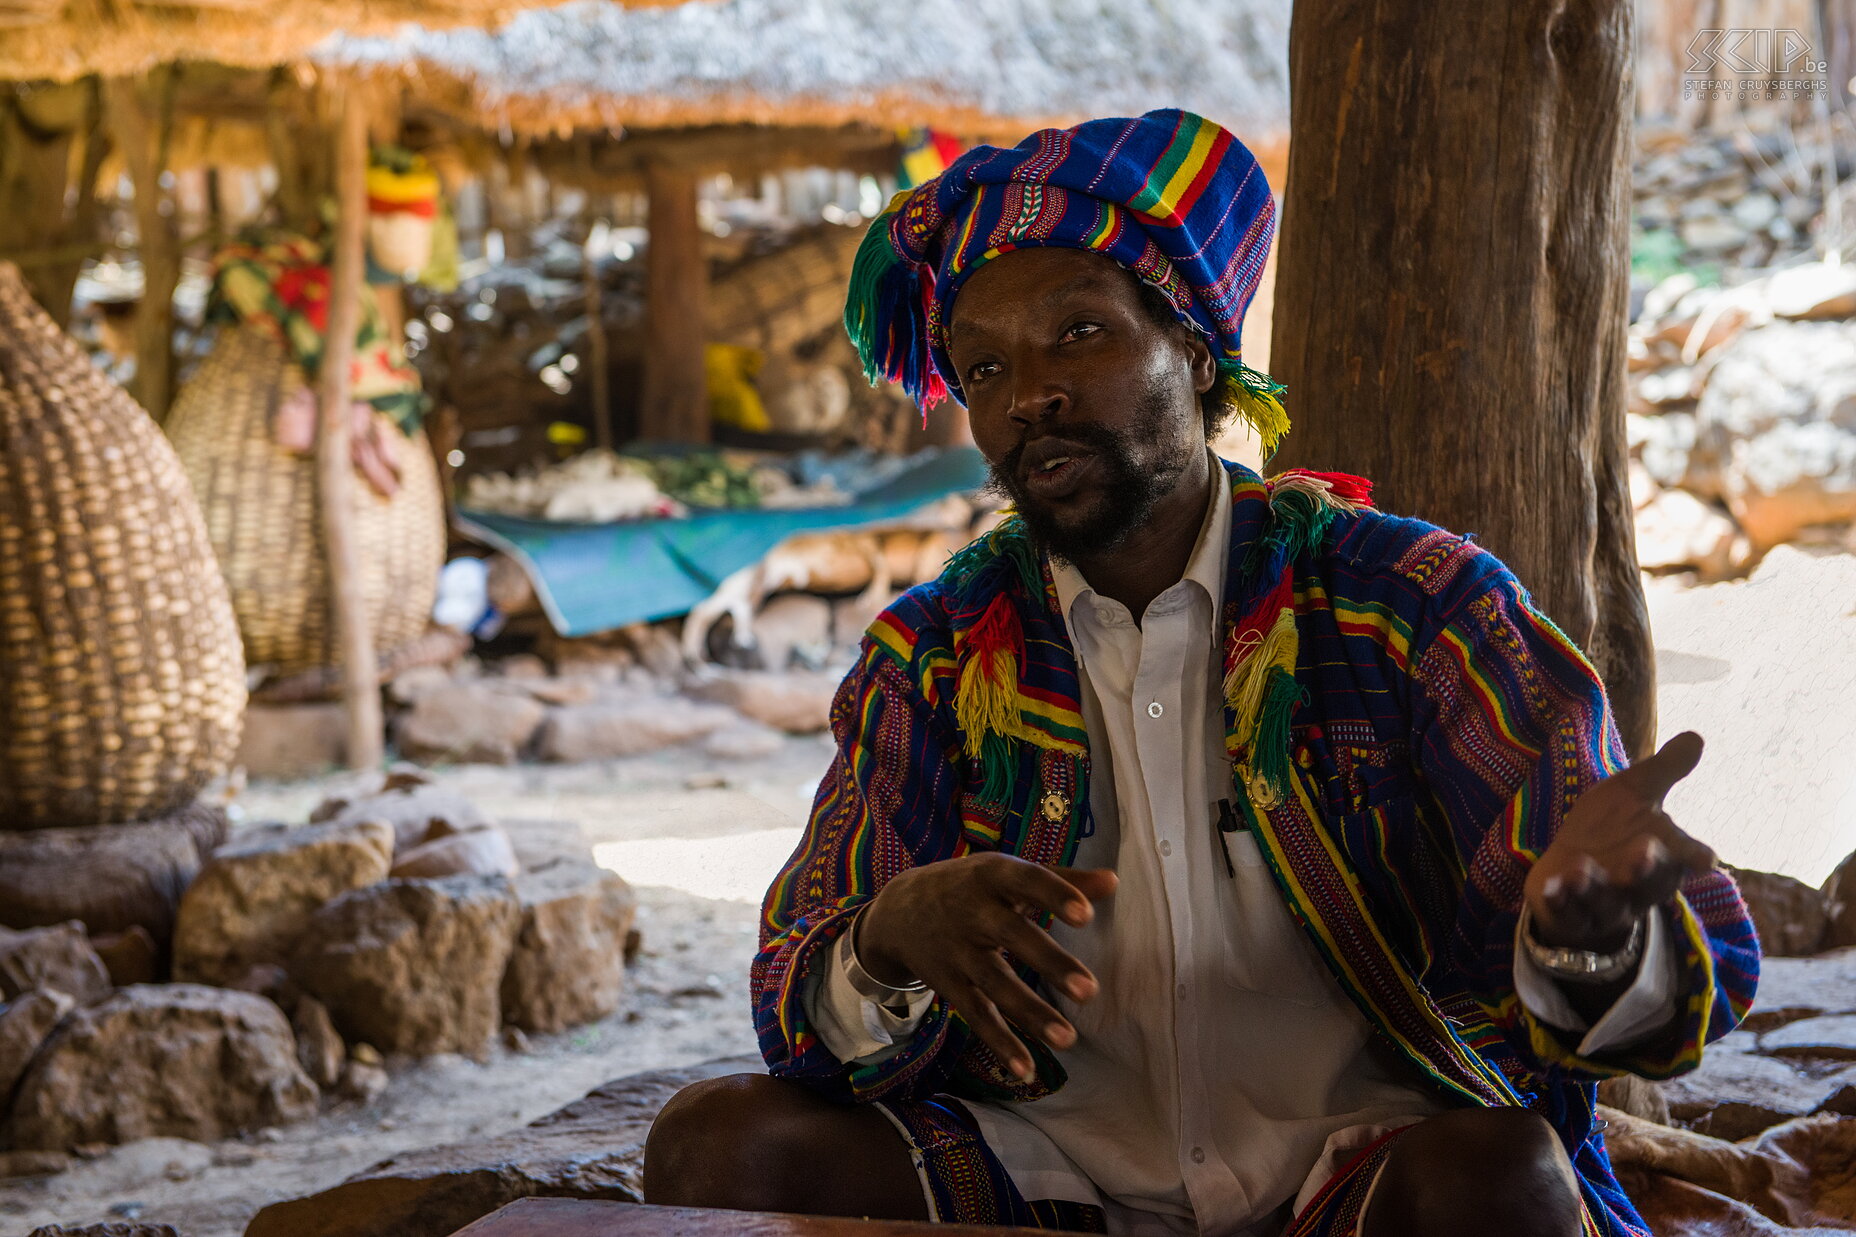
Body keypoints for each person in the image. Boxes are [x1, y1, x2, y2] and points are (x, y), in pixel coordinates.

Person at [643, 110, 1759, 1237]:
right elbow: (793, 1009)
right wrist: (886, 939)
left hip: (1352, 1177)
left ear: (1190, 345)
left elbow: (1664, 1002)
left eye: (1076, 333)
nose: (1028, 392)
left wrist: (1587, 933)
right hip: (1041, 1186)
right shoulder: (934, 657)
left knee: (1502, 1174)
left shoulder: (1411, 606)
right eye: (985, 365)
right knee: (717, 1145)